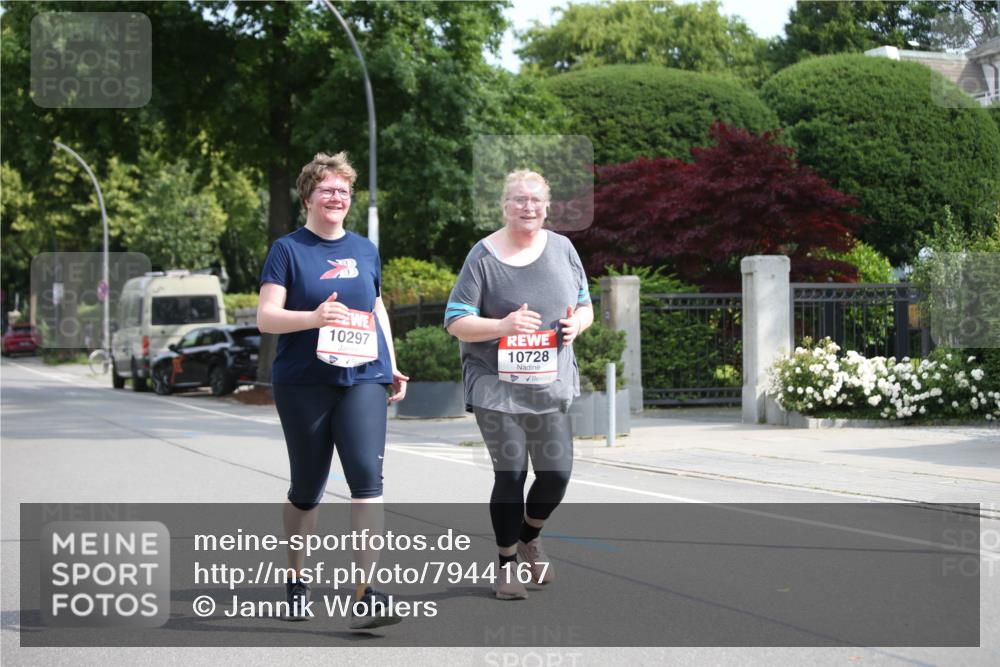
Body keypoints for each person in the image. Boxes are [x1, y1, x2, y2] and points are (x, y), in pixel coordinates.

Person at [257, 151, 408, 629]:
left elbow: (377, 307)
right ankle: (297, 581)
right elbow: (266, 318)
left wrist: (392, 362)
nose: (337, 197)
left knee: (368, 479)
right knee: (308, 487)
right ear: (308, 197)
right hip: (304, 382)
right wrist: (314, 317)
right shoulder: (287, 250)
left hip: (364, 376)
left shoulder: (365, 249)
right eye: (328, 189)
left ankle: (366, 593)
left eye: (344, 190)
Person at [444, 169, 594, 600]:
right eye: (518, 200)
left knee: (556, 475)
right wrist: (502, 325)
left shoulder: (563, 249)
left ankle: (530, 536)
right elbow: (456, 321)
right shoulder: (483, 256)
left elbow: (585, 304)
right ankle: (507, 564)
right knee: (510, 472)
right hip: (496, 382)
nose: (528, 207)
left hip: (550, 380)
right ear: (504, 206)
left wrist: (575, 326)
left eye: (535, 201)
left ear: (547, 207)